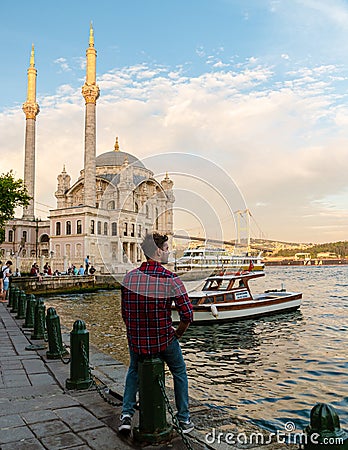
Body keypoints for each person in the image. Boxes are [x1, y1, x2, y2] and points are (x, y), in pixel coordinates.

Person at [119, 232, 194, 435]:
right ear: (159, 252)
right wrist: (177, 334)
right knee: (179, 372)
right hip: (164, 339)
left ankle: (126, 415)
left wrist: (136, 332)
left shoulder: (129, 278)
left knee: (133, 370)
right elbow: (187, 315)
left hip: (137, 340)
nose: (169, 252)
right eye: (167, 249)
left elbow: (125, 314)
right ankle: (184, 419)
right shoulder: (171, 278)